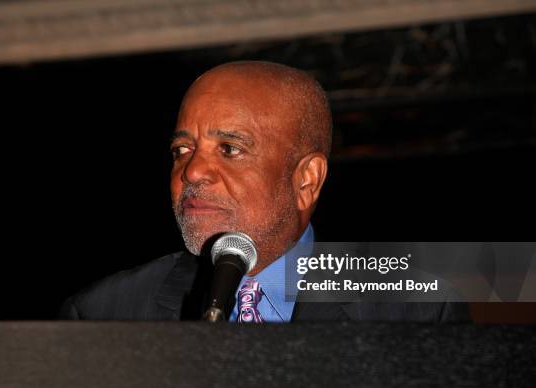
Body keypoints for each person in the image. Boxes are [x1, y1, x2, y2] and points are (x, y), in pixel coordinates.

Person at [58, 61, 469, 322]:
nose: (193, 170)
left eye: (230, 149)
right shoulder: (103, 314)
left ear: (306, 180)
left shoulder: (415, 312)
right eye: (182, 150)